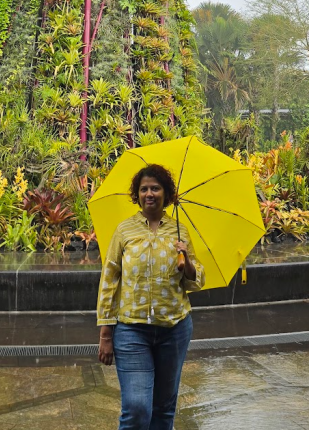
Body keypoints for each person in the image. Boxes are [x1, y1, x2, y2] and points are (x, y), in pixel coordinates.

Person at [97, 163, 205, 430]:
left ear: (166, 194)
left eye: (155, 188)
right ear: (137, 194)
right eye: (144, 188)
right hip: (132, 331)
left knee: (164, 409)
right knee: (136, 409)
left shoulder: (178, 231)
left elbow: (197, 280)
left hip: (175, 329)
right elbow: (110, 280)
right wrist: (105, 334)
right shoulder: (124, 231)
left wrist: (187, 261)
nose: (149, 193)